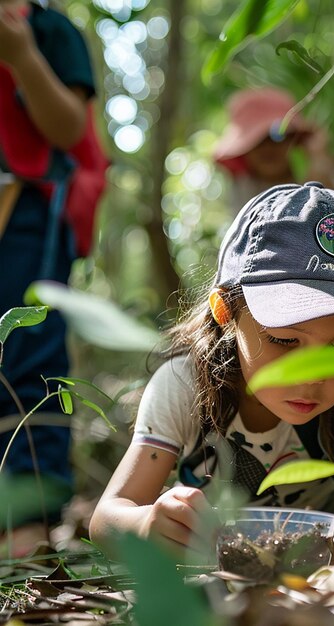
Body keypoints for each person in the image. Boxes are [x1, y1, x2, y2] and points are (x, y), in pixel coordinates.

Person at [89, 182, 334, 559]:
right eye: (285, 342)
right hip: (221, 566)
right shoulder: (184, 384)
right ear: (225, 313)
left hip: (333, 559)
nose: (311, 375)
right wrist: (145, 525)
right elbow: (108, 516)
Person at [0, 0, 95, 557]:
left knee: (29, 359)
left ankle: (26, 530)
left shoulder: (50, 30)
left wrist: (21, 56)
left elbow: (68, 126)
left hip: (31, 215)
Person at [213, 87, 334, 212]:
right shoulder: (243, 185)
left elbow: (332, 212)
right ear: (245, 150)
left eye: (277, 137)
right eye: (257, 142)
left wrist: (318, 160)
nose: (268, 149)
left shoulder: (312, 170)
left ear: (293, 139)